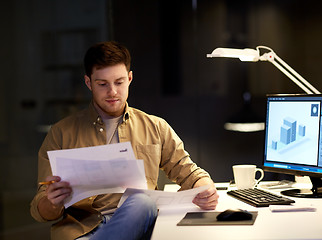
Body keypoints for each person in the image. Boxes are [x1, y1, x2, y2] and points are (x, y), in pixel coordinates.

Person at [30, 41, 219, 240]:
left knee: (142, 201)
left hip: (138, 222)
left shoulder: (155, 127)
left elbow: (188, 171)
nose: (112, 92)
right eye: (102, 84)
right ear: (88, 83)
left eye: (119, 82)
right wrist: (52, 202)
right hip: (81, 231)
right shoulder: (61, 133)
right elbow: (39, 210)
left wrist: (205, 187)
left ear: (130, 78)